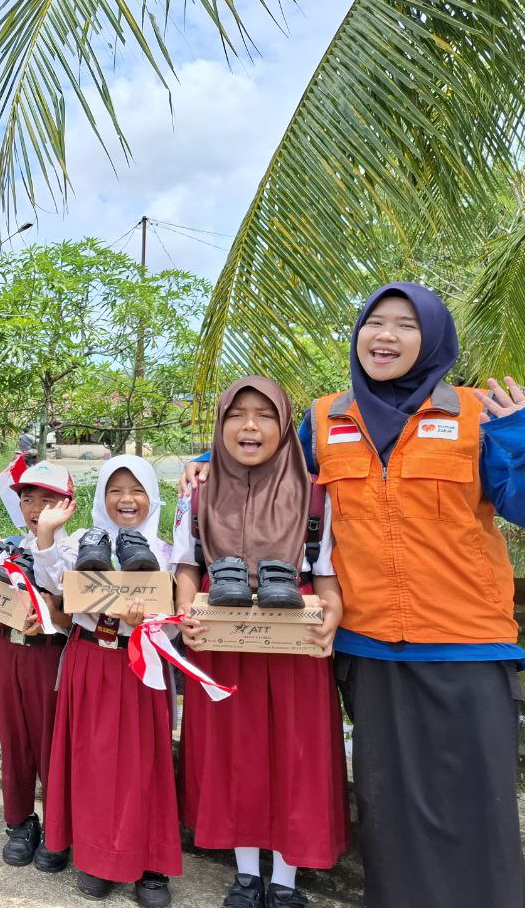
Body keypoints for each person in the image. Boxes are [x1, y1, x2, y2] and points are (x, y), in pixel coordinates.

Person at [181, 283, 525, 908]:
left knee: (481, 813)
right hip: (369, 647)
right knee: (388, 817)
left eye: (404, 325)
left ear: (433, 339)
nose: (385, 336)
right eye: (373, 323)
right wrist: (203, 459)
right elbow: (266, 465)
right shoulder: (328, 418)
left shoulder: (473, 414)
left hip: (467, 646)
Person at [171, 377, 348, 908]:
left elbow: (327, 573)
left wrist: (334, 611)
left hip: (295, 643)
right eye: (236, 414)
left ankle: (285, 881)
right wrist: (185, 611)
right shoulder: (197, 492)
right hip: (221, 642)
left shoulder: (317, 493)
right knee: (234, 755)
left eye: (264, 415)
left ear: (285, 425)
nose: (249, 426)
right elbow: (186, 563)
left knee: (295, 757)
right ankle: (246, 873)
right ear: (220, 425)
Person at [36, 455, 179, 905]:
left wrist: (146, 620)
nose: (126, 500)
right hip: (90, 661)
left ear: (152, 496)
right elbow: (54, 588)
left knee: (144, 764)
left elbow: (174, 622)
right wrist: (46, 534)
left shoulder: (167, 552)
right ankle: (98, 858)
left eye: (136, 490)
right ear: (102, 497)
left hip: (141, 666)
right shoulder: (80, 542)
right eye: (115, 490)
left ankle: (150, 864)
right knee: (93, 761)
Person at [0, 461, 73, 867]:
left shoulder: (78, 548)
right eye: (28, 498)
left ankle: (59, 829)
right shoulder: (10, 546)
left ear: (67, 504)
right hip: (7, 650)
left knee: (50, 745)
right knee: (14, 741)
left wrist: (50, 612)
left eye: (47, 500)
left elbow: (75, 613)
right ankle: (20, 822)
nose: (36, 508)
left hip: (50, 655)